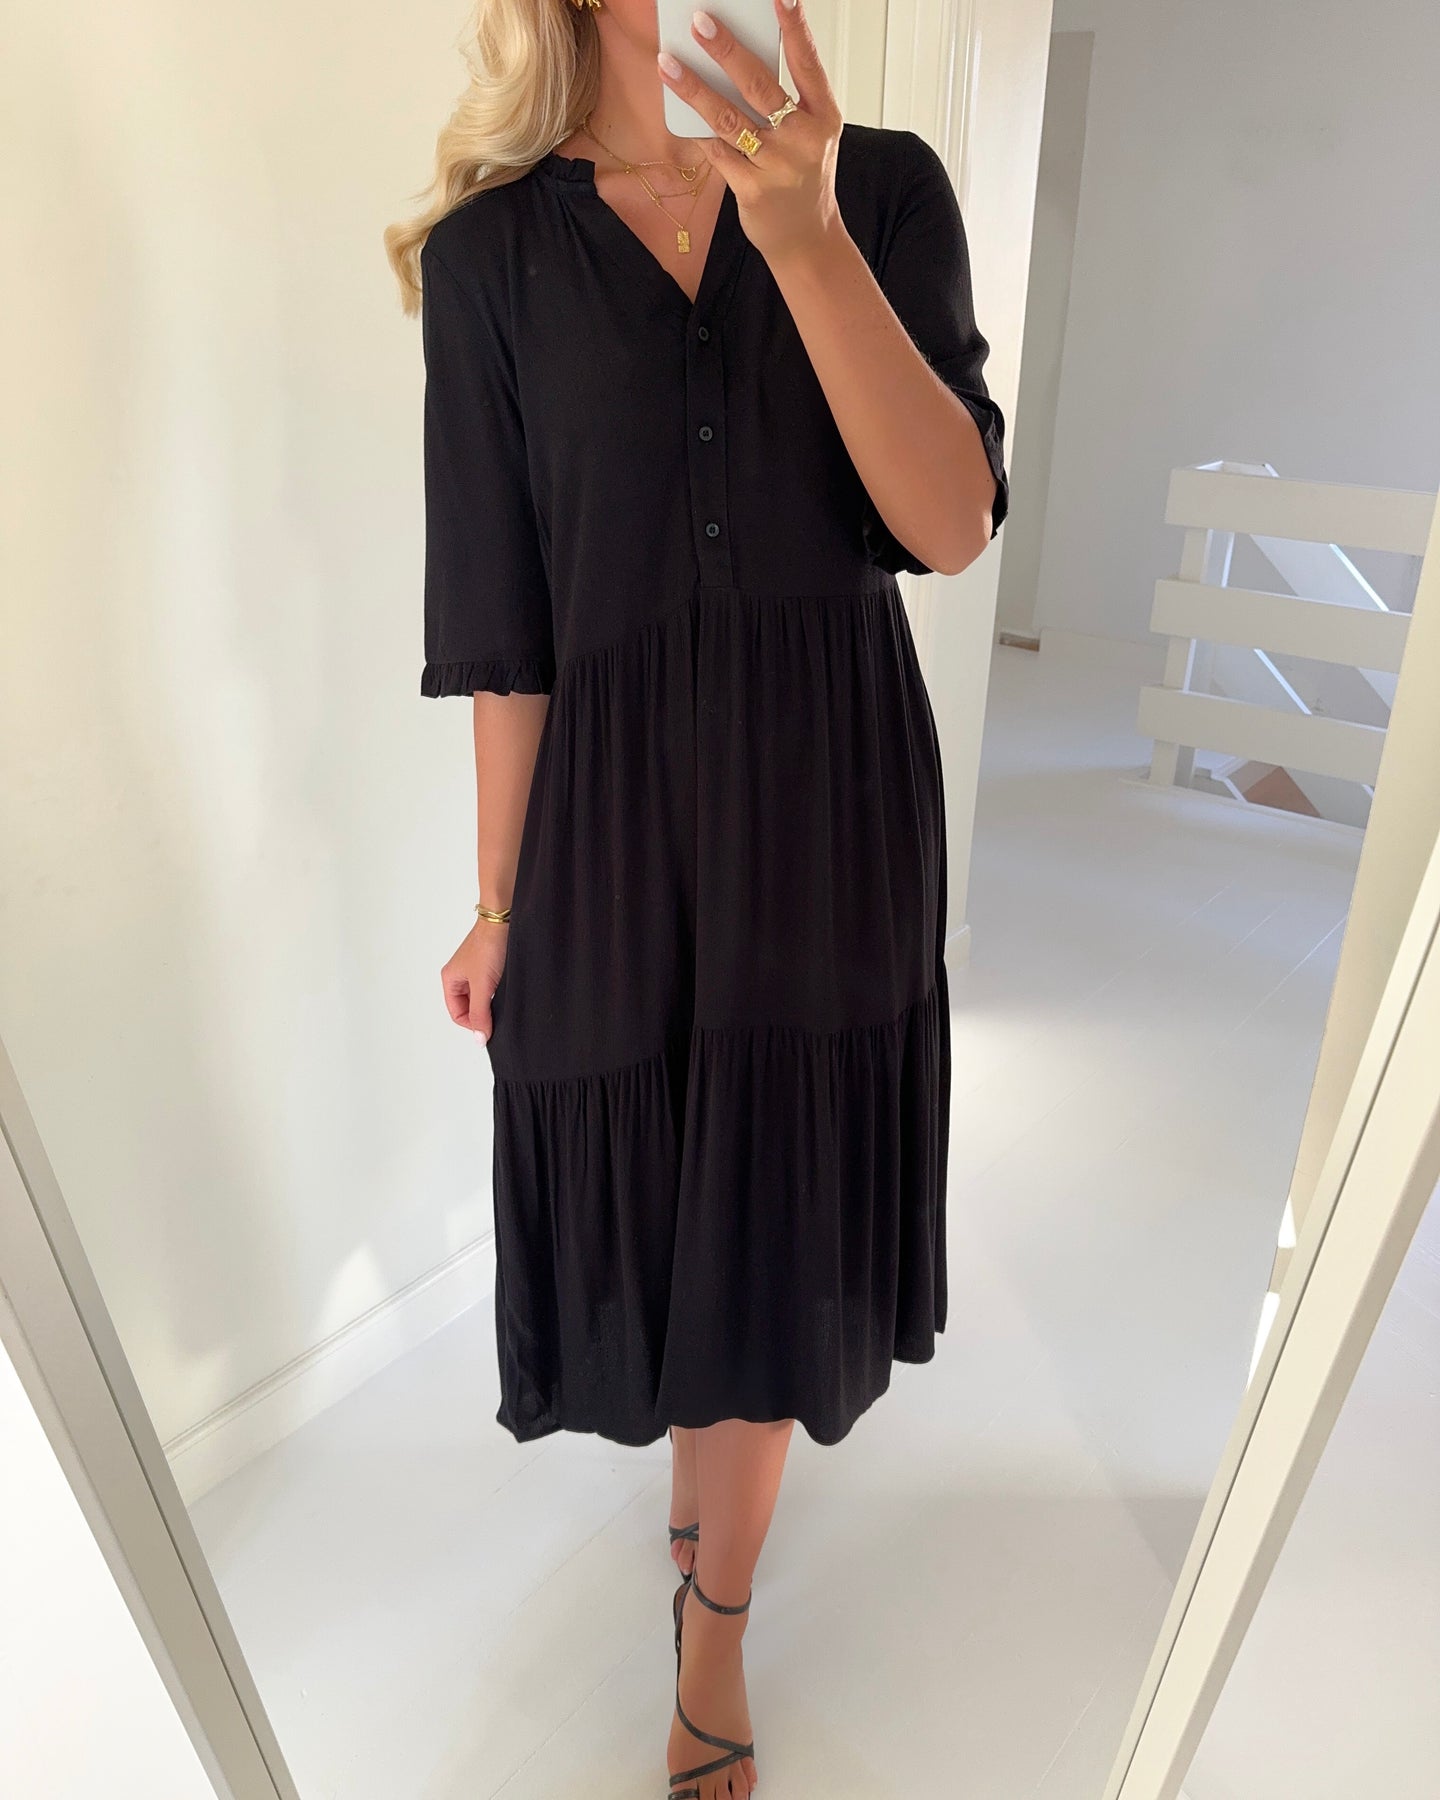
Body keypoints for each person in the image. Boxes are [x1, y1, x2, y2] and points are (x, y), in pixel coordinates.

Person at [386, 1, 1008, 1793]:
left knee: (770, 1211)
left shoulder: (883, 190)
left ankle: (713, 1627)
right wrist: (498, 904)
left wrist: (803, 238)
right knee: (669, 1199)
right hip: (613, 822)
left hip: (829, 803)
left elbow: (951, 523)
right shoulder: (493, 261)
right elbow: (507, 633)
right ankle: (704, 1516)